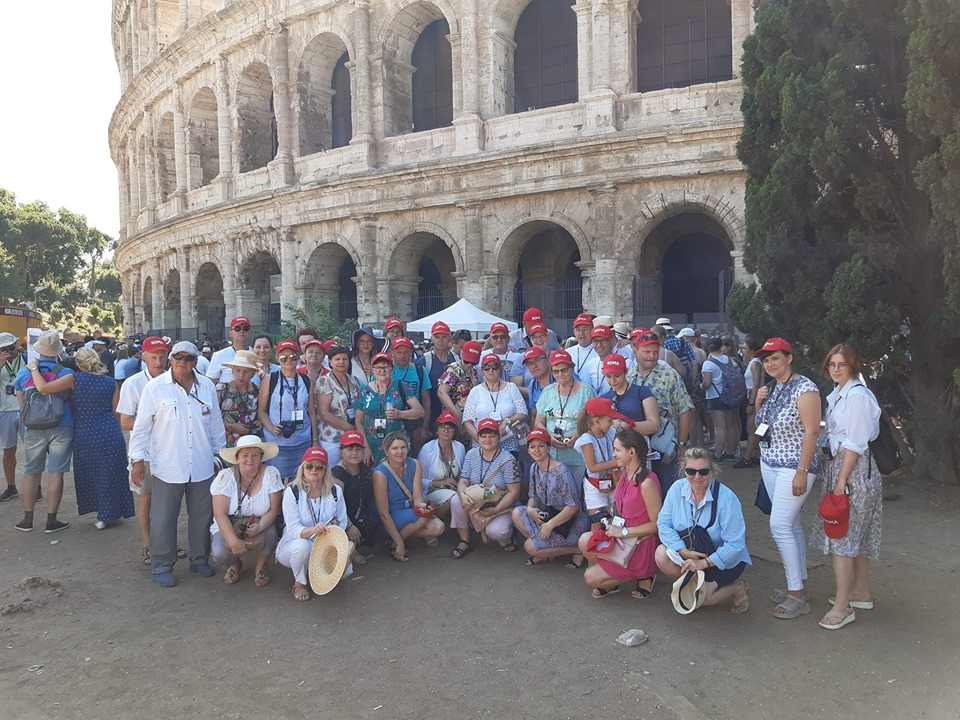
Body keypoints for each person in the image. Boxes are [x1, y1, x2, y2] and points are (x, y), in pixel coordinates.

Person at [128, 341, 227, 587]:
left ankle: (199, 559)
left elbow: (216, 426)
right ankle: (162, 564)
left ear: (196, 361)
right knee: (163, 517)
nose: (183, 362)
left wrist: (218, 457)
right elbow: (141, 427)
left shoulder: (206, 387)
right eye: (178, 357)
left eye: (189, 358)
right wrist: (137, 460)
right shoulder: (155, 388)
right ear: (171, 359)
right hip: (168, 464)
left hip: (202, 464)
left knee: (202, 515)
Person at [810, 344, 883, 630]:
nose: (836, 369)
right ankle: (860, 592)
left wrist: (841, 480)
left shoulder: (857, 396)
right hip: (846, 468)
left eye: (841, 364)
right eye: (832, 364)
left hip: (853, 471)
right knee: (856, 534)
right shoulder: (841, 393)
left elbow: (855, 442)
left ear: (852, 365)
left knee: (842, 537)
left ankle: (843, 605)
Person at [26, 347, 135, 530]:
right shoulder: (110, 382)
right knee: (111, 473)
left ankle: (101, 513)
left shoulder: (73, 379)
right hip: (110, 431)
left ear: (77, 363)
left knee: (91, 473)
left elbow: (42, 388)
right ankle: (109, 513)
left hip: (85, 432)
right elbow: (117, 412)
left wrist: (34, 368)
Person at [754, 337, 822, 619]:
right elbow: (761, 426)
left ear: (789, 358)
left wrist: (802, 472)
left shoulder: (805, 388)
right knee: (790, 524)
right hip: (770, 463)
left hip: (794, 466)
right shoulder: (772, 388)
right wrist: (758, 402)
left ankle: (796, 593)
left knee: (780, 525)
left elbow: (812, 432)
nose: (770, 364)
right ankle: (798, 584)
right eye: (766, 360)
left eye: (775, 358)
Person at [655, 447, 751, 612]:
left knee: (704, 599)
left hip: (722, 561)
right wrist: (682, 550)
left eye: (703, 471)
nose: (697, 476)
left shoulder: (727, 499)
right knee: (661, 554)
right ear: (684, 471)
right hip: (690, 551)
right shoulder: (677, 489)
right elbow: (663, 523)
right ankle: (696, 585)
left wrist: (704, 563)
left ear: (712, 472)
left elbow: (735, 544)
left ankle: (737, 589)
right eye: (691, 471)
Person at [577, 430, 662, 599]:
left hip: (639, 544)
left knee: (590, 578)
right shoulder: (625, 473)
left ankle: (645, 575)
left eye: (617, 450)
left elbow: (656, 524)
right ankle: (614, 576)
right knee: (584, 540)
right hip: (620, 536)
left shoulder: (647, 483)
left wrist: (623, 532)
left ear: (632, 452)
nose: (613, 454)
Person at [118, 336, 180, 563]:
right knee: (146, 498)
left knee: (169, 500)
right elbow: (125, 421)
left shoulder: (175, 380)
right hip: (145, 451)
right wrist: (152, 422)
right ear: (143, 357)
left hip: (170, 449)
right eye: (154, 357)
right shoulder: (132, 384)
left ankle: (167, 544)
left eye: (162, 357)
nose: (158, 362)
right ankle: (148, 545)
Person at [276, 447, 360, 601]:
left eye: (319, 467)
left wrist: (331, 533)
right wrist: (312, 530)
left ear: (325, 470)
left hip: (325, 542)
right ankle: (300, 583)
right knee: (303, 547)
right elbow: (293, 529)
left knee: (346, 572)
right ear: (303, 468)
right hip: (295, 543)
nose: (314, 470)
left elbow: (341, 521)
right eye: (309, 466)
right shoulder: (292, 491)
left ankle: (317, 571)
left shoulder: (335, 491)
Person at [13, 330, 74, 533]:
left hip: (33, 426)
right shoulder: (65, 372)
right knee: (56, 472)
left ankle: (27, 519)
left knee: (31, 471)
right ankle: (51, 521)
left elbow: (21, 403)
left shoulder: (24, 373)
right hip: (62, 424)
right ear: (58, 351)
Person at [209, 435, 283, 587]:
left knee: (270, 534)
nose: (250, 459)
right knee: (219, 552)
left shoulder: (271, 474)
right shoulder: (225, 477)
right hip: (230, 521)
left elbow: (274, 510)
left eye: (255, 455)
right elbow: (220, 514)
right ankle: (235, 563)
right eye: (245, 455)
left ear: (261, 457)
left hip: (261, 521)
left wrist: (260, 527)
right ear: (237, 458)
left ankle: (261, 567)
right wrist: (233, 541)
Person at [627, 328, 693, 495]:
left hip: (666, 449)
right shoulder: (629, 377)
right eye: (646, 352)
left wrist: (682, 445)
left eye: (655, 352)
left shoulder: (670, 375)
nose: (652, 356)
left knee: (668, 492)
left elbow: (685, 410)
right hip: (637, 448)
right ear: (635, 351)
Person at [512, 427, 588, 565]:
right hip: (549, 515)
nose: (537, 450)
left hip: (568, 524)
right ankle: (546, 549)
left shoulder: (561, 470)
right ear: (528, 451)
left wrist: (550, 525)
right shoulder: (534, 467)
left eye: (541, 446)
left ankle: (577, 549)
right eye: (532, 447)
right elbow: (533, 496)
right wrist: (530, 509)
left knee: (530, 546)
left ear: (549, 448)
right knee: (517, 513)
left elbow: (574, 506)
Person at [450, 418, 522, 557]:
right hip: (479, 501)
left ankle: (509, 536)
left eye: (492, 435)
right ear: (478, 438)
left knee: (496, 532)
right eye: (483, 435)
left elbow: (514, 492)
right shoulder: (471, 454)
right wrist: (463, 496)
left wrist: (496, 509)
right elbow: (463, 481)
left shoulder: (508, 460)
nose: (487, 439)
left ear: (498, 437)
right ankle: (465, 540)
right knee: (456, 500)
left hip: (501, 505)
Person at [372, 432, 445, 561]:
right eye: (395, 448)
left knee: (438, 527)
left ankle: (396, 539)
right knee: (422, 518)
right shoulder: (380, 474)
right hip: (391, 515)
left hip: (410, 509)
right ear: (386, 451)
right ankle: (398, 543)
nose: (400, 452)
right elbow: (383, 514)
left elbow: (417, 496)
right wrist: (400, 543)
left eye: (403, 447)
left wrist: (421, 507)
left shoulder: (415, 464)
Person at [535, 349, 597, 481]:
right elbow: (539, 421)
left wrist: (579, 435)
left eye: (564, 370)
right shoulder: (547, 392)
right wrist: (548, 437)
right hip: (552, 454)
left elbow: (595, 422)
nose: (560, 374)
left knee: (576, 488)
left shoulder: (586, 391)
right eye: (555, 371)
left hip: (579, 453)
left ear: (572, 369)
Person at [258, 340, 314, 479]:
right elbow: (261, 410)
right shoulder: (270, 379)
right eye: (283, 357)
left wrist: (315, 439)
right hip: (277, 444)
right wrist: (271, 427)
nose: (288, 360)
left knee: (303, 482)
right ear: (277, 358)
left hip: (302, 441)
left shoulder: (306, 380)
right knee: (277, 482)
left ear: (298, 357)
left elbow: (312, 411)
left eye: (293, 356)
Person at [575, 398, 628, 529]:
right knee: (597, 524)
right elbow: (593, 467)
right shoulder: (586, 439)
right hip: (594, 485)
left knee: (616, 520)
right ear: (597, 421)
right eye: (609, 420)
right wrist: (618, 462)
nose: (612, 423)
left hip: (613, 481)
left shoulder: (611, 432)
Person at [462, 354, 528, 455]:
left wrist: (507, 421)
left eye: (495, 367)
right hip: (481, 447)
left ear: (500, 369)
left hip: (507, 443)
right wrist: (481, 441)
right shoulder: (475, 391)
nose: (491, 370)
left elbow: (523, 413)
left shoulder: (511, 387)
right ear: (482, 370)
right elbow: (467, 421)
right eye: (486, 368)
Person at [331, 430, 381, 553]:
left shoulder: (364, 468)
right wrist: (349, 526)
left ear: (363, 451)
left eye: (358, 449)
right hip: (344, 521)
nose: (354, 453)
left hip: (364, 517)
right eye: (349, 449)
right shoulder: (336, 475)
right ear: (341, 452)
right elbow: (335, 507)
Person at [315, 344, 361, 467]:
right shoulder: (324, 381)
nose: (341, 362)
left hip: (353, 436)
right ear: (330, 361)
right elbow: (323, 413)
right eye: (337, 359)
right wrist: (349, 427)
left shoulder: (354, 380)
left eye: (345, 359)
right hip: (332, 437)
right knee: (333, 471)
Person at [416, 410, 466, 520]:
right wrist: (441, 482)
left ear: (454, 431)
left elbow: (464, 473)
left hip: (455, 489)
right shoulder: (427, 449)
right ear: (437, 430)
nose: (446, 430)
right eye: (442, 427)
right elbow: (418, 481)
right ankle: (431, 518)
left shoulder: (460, 447)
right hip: (432, 492)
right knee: (457, 498)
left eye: (450, 428)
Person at [598, 355, 660, 436]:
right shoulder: (603, 399)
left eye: (617, 376)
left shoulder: (642, 392)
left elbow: (654, 425)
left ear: (626, 371)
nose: (613, 380)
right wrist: (611, 424)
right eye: (608, 376)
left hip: (638, 440)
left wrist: (628, 425)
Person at [391, 337, 432, 453]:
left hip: (414, 422)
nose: (402, 356)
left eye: (406, 352)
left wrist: (425, 426)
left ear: (411, 353)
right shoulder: (385, 370)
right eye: (399, 352)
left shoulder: (419, 370)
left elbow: (426, 400)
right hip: (391, 422)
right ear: (392, 353)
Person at [702, 337, 739, 462]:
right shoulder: (728, 359)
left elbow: (707, 383)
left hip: (715, 396)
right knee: (730, 425)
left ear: (708, 348)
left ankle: (717, 454)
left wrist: (701, 386)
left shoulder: (708, 364)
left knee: (719, 427)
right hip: (729, 394)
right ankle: (730, 451)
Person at [417, 321, 458, 432]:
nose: (440, 340)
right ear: (432, 338)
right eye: (437, 337)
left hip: (453, 416)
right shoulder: (425, 361)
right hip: (431, 416)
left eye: (444, 337)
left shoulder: (456, 359)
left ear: (449, 338)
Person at [217, 350, 261, 446]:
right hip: (227, 440)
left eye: (246, 371)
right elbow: (213, 418)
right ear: (232, 370)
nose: (241, 375)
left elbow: (263, 412)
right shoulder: (222, 389)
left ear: (253, 373)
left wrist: (260, 422)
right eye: (237, 370)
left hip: (251, 439)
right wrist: (231, 426)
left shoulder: (257, 390)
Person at [0, 332, 24, 502]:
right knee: (8, 449)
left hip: (25, 409)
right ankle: (11, 486)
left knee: (32, 449)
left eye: (11, 347)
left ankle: (36, 486)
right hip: (4, 410)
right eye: (4, 349)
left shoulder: (27, 359)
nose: (9, 351)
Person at [734, 337, 765, 468]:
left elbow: (756, 383)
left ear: (752, 350)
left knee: (751, 428)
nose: (743, 351)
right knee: (754, 428)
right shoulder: (753, 362)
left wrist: (751, 403)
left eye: (745, 348)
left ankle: (747, 457)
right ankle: (756, 454)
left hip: (753, 396)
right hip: (752, 395)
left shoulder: (755, 364)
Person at [436, 340, 481, 422]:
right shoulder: (453, 370)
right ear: (461, 353)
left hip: (470, 416)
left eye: (473, 362)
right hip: (454, 418)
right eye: (467, 361)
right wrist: (457, 414)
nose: (469, 365)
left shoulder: (474, 370)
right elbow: (441, 392)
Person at [207, 316, 252, 384]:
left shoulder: (256, 354)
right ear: (231, 333)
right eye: (237, 329)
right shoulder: (219, 355)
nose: (242, 331)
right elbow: (210, 382)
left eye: (246, 328)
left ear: (249, 332)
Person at [481, 322, 525, 387]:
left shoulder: (518, 357)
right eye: (495, 337)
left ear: (508, 339)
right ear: (490, 340)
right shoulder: (482, 356)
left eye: (503, 337)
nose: (499, 340)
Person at [521, 346, 553, 422]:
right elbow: (534, 414)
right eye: (529, 363)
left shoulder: (561, 376)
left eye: (537, 360)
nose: (534, 366)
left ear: (547, 360)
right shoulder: (532, 385)